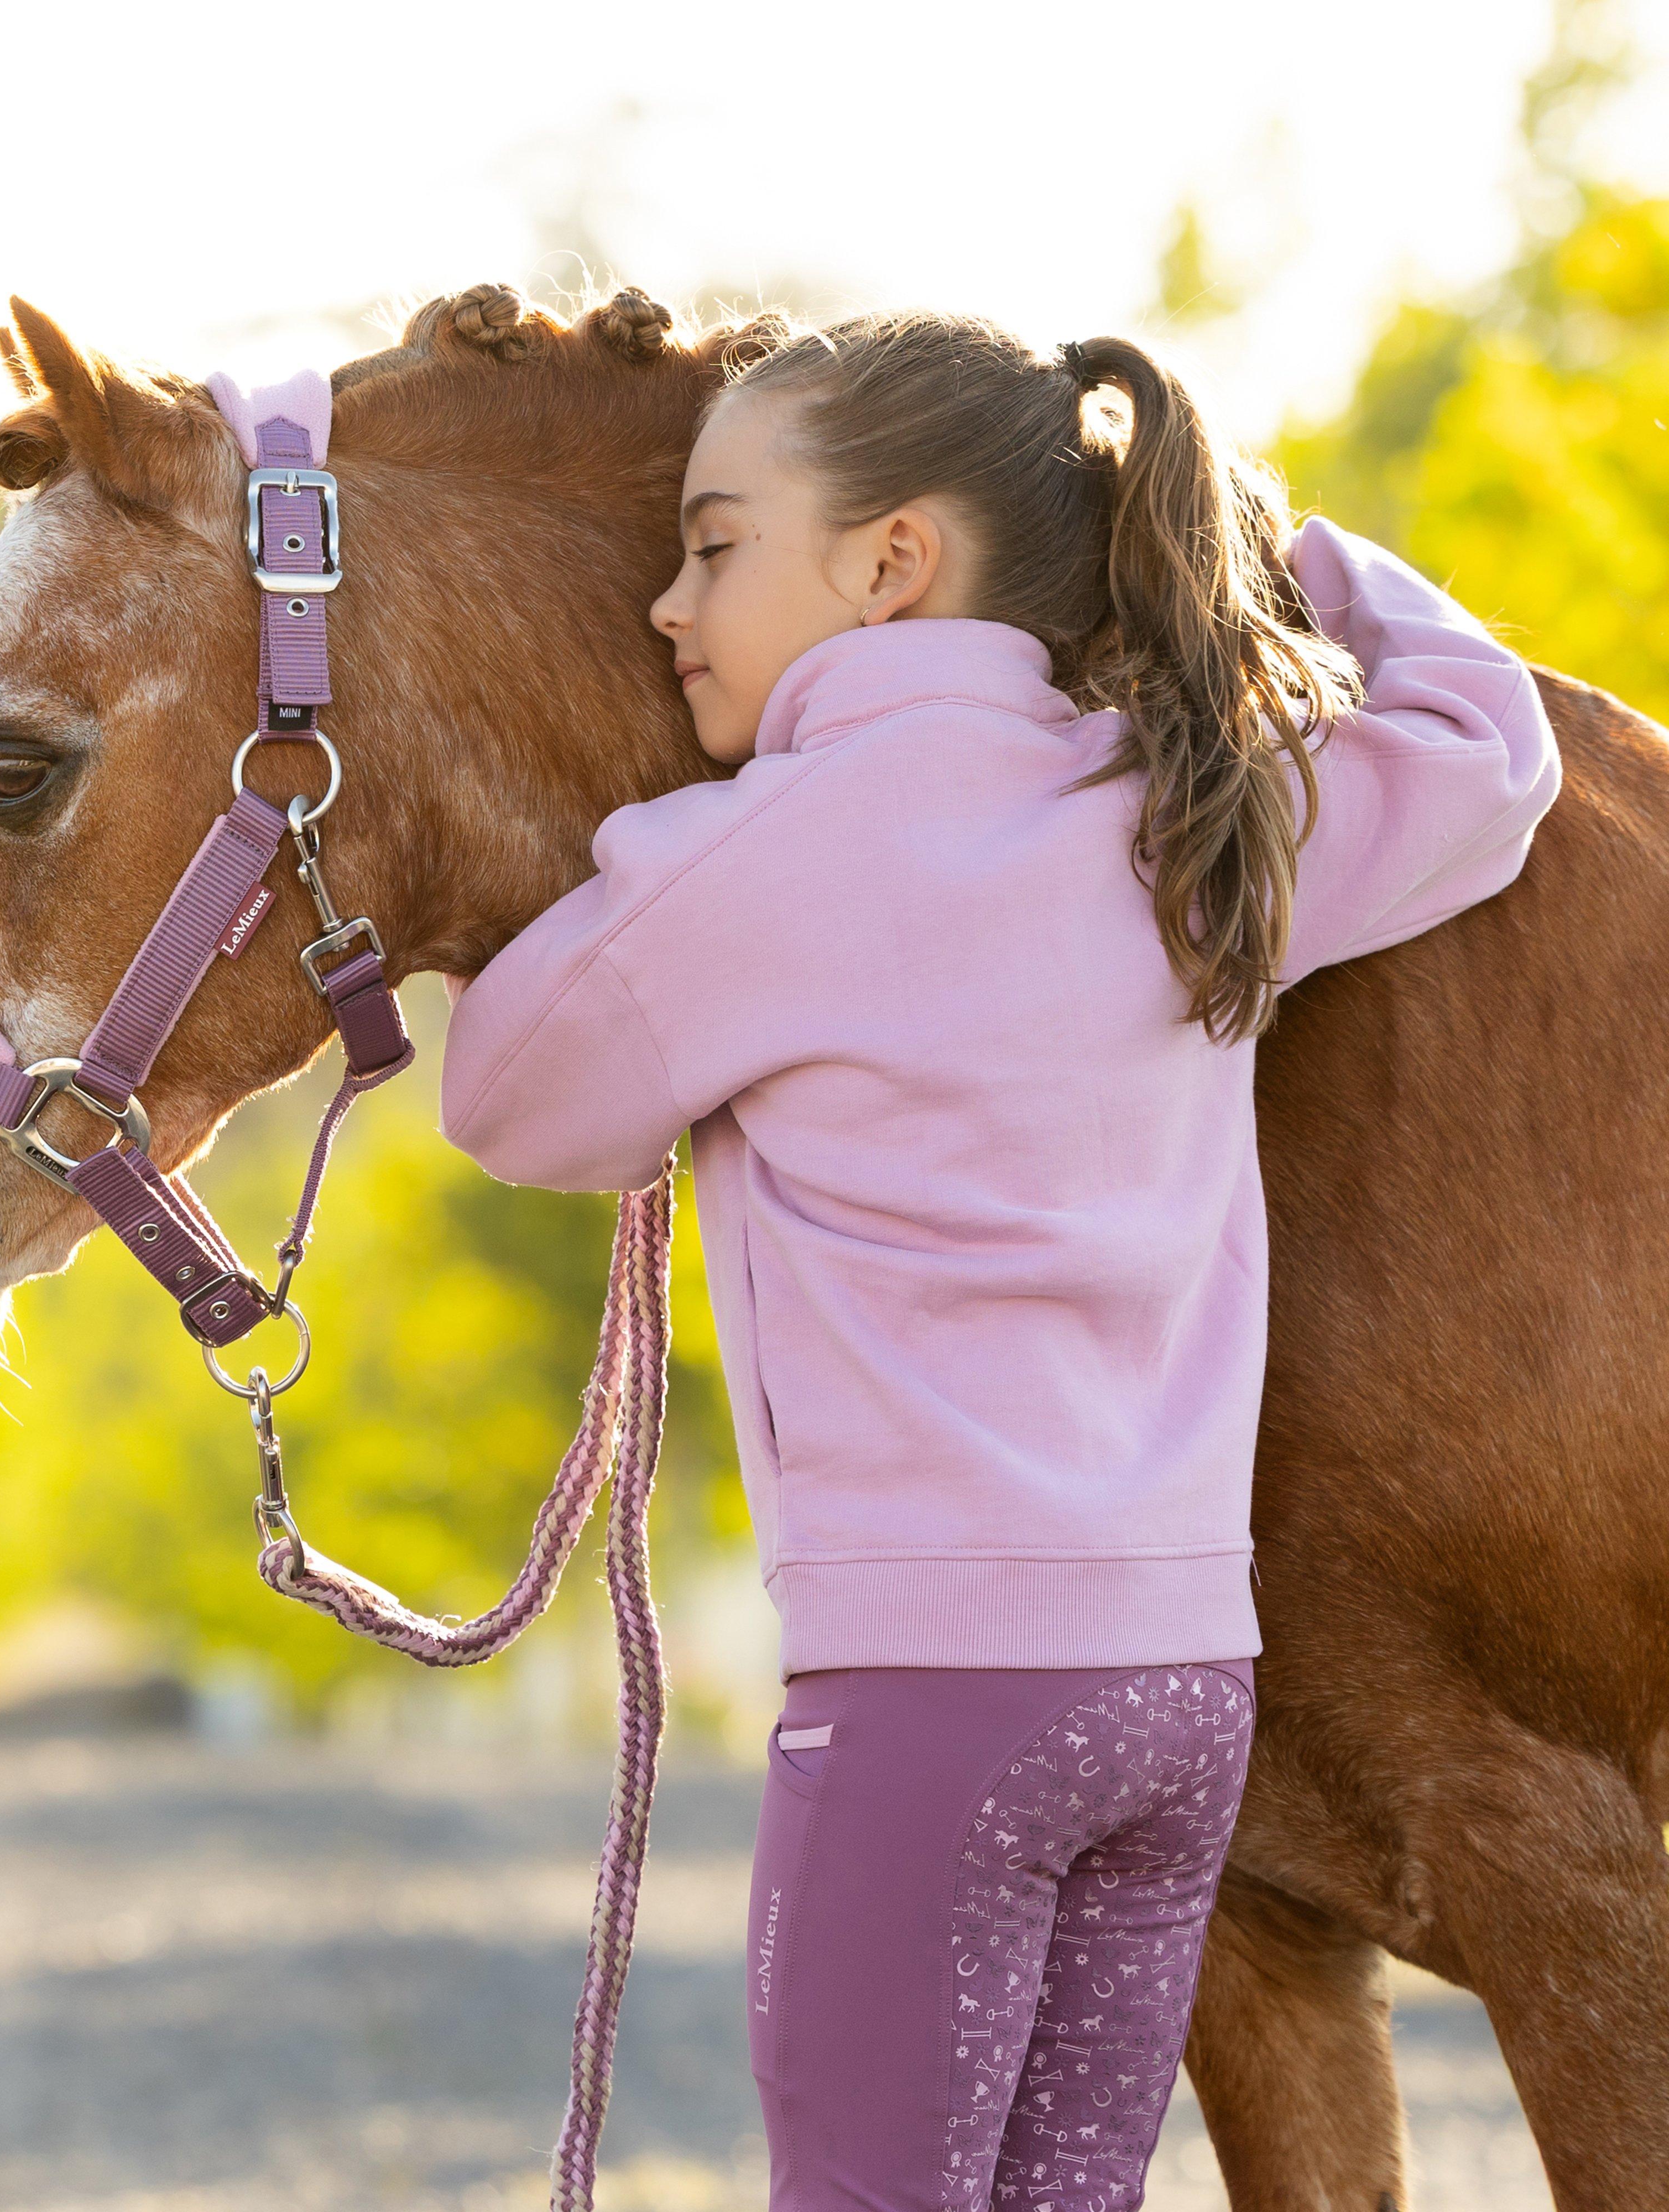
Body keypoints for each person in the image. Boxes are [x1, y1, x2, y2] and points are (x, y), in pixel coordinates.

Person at [439, 312, 1560, 2212]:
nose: (666, 604)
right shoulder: (1195, 815)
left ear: (892, 566)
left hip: (932, 1697)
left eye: (715, 545)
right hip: (1184, 1690)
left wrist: (643, 870)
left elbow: (516, 1101)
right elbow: (1489, 747)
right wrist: (1282, 553)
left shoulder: (755, 859)